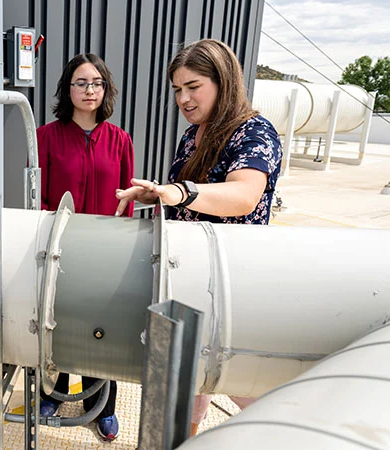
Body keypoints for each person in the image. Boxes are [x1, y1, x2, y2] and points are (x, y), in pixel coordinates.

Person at [114, 39, 282, 435]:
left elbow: (243, 196)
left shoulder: (254, 132)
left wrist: (182, 191)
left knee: (240, 378)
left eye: (193, 86)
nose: (183, 98)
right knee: (186, 377)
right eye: (177, 89)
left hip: (230, 278)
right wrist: (159, 192)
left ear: (222, 82)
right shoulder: (193, 136)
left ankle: (288, 430)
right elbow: (186, 194)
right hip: (190, 273)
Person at [37, 53, 134, 441]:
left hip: (106, 251)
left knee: (104, 329)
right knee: (58, 323)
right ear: (67, 88)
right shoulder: (47, 136)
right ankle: (56, 394)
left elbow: (126, 199)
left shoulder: (120, 139)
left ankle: (103, 407)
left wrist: (121, 249)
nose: (89, 90)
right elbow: (40, 197)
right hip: (61, 248)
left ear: (105, 89)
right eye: (81, 82)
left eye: (96, 83)